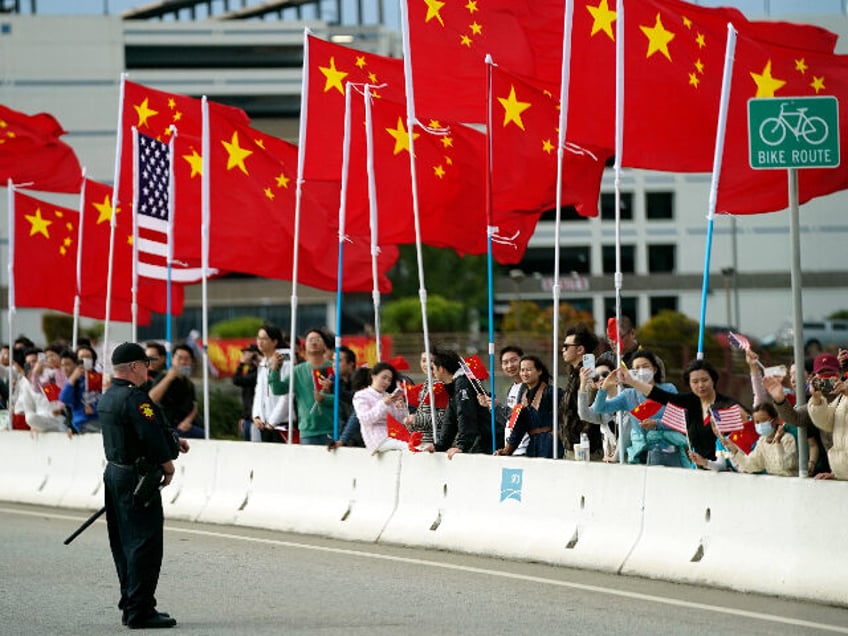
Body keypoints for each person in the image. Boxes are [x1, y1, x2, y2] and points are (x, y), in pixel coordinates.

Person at [98, 342, 188, 630]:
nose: (148, 369)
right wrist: (168, 465)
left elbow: (139, 430)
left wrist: (172, 437)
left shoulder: (109, 396)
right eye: (145, 364)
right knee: (144, 543)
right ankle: (140, 610)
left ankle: (130, 602)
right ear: (135, 367)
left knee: (123, 542)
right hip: (137, 478)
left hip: (115, 474)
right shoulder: (136, 399)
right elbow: (149, 435)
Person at [617, 358, 748, 467]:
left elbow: (747, 424)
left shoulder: (726, 405)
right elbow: (659, 395)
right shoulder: (690, 401)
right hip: (696, 469)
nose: (701, 385)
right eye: (695, 382)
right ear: (689, 384)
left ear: (713, 380)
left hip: (724, 472)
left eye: (705, 380)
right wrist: (632, 382)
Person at [592, 350, 687, 467]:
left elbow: (680, 420)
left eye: (645, 366)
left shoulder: (668, 389)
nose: (641, 371)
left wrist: (657, 424)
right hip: (642, 455)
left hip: (669, 453)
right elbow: (599, 408)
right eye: (637, 368)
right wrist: (604, 387)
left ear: (654, 369)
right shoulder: (628, 395)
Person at [269, 327, 336, 445]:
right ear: (304, 346)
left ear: (325, 346)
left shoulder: (334, 369)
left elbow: (342, 399)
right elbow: (278, 389)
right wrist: (274, 370)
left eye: (318, 339)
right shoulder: (297, 371)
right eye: (310, 340)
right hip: (307, 431)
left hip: (331, 429)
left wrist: (325, 399)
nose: (314, 342)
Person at [495, 355, 563, 459]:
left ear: (539, 371)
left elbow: (567, 413)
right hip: (532, 447)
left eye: (528, 370)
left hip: (551, 446)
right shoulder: (522, 396)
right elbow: (518, 427)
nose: (524, 373)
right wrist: (506, 451)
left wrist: (559, 432)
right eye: (522, 370)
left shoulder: (552, 392)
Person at [432, 348, 493, 458]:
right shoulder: (454, 385)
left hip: (486, 443)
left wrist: (462, 445)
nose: (432, 373)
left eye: (433, 368)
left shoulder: (463, 383)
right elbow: (450, 420)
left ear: (441, 369)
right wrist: (439, 446)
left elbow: (466, 414)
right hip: (480, 443)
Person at [721, 402, 798, 476]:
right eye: (757, 422)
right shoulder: (762, 442)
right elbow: (750, 465)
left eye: (764, 420)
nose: (760, 425)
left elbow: (784, 466)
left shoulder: (787, 439)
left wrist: (778, 442)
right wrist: (734, 450)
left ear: (776, 420)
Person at [560, 323, 602, 459]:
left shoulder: (590, 375)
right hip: (572, 448)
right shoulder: (574, 375)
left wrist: (583, 443)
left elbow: (589, 413)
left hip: (586, 450)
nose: (563, 350)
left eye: (566, 346)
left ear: (580, 349)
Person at [806, 352, 848, 480]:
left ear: (840, 374)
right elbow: (826, 424)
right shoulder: (840, 399)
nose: (827, 380)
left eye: (830, 374)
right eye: (822, 376)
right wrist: (817, 399)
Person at [148, 344, 204, 439]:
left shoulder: (189, 383)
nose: (183, 362)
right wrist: (169, 378)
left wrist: (187, 421)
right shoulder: (163, 377)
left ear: (191, 362)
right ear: (173, 359)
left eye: (186, 359)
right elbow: (151, 398)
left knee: (204, 435)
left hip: (183, 426)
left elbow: (194, 406)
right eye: (179, 358)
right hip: (166, 426)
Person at [353, 361, 409, 453]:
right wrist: (384, 404)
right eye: (384, 378)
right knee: (407, 446)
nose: (386, 382)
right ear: (373, 376)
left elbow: (400, 420)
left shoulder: (388, 396)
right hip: (377, 438)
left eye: (389, 380)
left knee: (414, 444)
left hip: (393, 435)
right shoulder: (361, 395)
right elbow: (365, 419)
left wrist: (401, 407)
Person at [251, 324, 293, 443]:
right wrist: (257, 415)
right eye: (258, 338)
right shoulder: (263, 362)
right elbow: (259, 392)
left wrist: (272, 422)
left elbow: (287, 395)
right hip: (264, 424)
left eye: (264, 339)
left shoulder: (285, 360)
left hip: (281, 424)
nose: (260, 342)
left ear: (274, 341)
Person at [577, 352, 618, 461]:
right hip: (609, 461)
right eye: (595, 377)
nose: (600, 378)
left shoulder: (627, 397)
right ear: (593, 384)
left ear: (615, 376)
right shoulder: (599, 403)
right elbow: (584, 414)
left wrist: (616, 456)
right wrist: (582, 384)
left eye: (605, 374)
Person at [405, 351, 448, 446]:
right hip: (422, 441)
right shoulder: (427, 384)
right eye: (424, 360)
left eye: (431, 361)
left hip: (435, 442)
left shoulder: (441, 386)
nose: (427, 364)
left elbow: (444, 418)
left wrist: (416, 419)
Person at [59, 344, 103, 434]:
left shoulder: (100, 378)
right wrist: (74, 377)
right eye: (81, 357)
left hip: (100, 420)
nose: (85, 360)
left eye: (88, 357)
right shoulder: (75, 381)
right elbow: (64, 398)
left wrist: (94, 410)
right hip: (83, 422)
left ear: (93, 361)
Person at [232, 343, 259, 441]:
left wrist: (241, 364)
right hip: (247, 418)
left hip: (256, 420)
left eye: (247, 354)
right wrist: (243, 416)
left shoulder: (259, 373)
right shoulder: (249, 372)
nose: (244, 357)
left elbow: (236, 380)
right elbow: (246, 397)